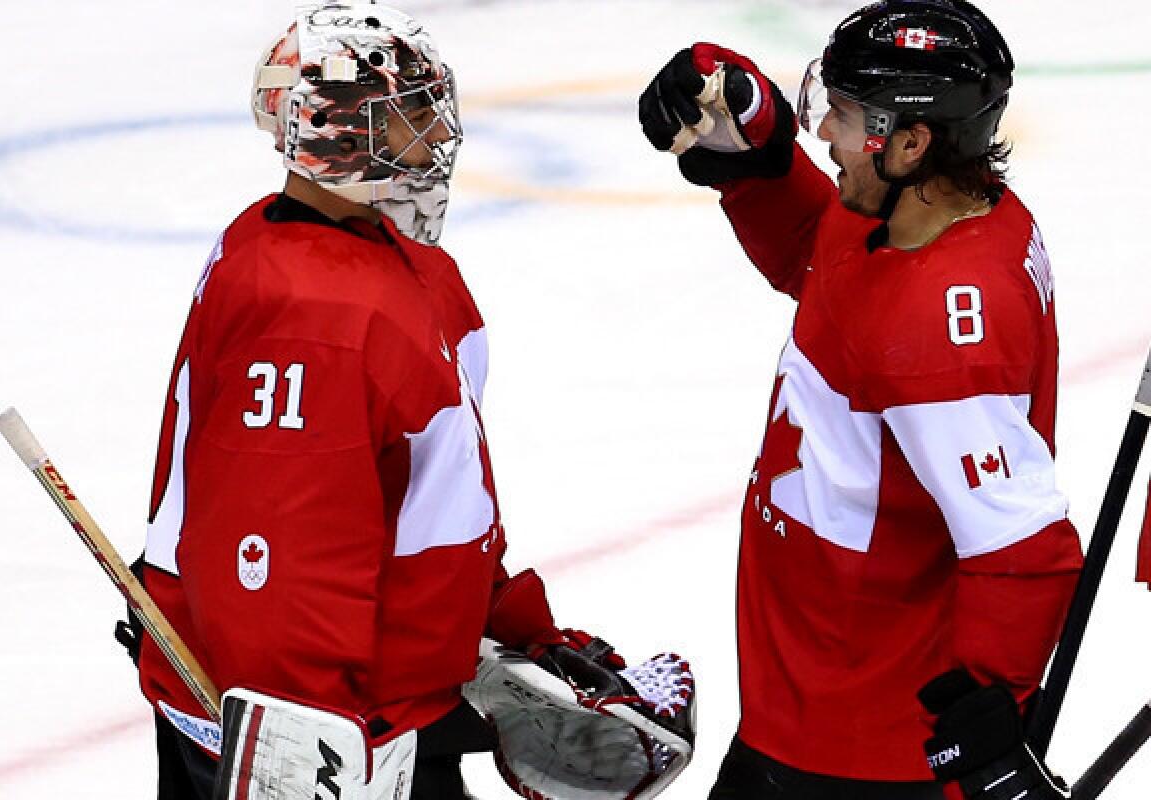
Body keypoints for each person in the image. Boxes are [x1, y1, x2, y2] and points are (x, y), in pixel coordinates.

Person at [123, 5, 648, 798]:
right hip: (322, 733)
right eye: (406, 115)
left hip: (385, 703)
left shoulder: (396, 267)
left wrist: (507, 623)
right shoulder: (313, 312)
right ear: (335, 131)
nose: (434, 137)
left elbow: (432, 493)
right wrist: (303, 735)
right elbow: (271, 555)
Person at [639, 1, 1083, 798]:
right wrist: (750, 136)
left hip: (861, 748)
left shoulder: (944, 336)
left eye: (840, 115)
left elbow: (1021, 548)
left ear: (910, 141)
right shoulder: (920, 218)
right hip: (809, 700)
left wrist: (982, 736)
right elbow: (826, 264)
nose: (822, 134)